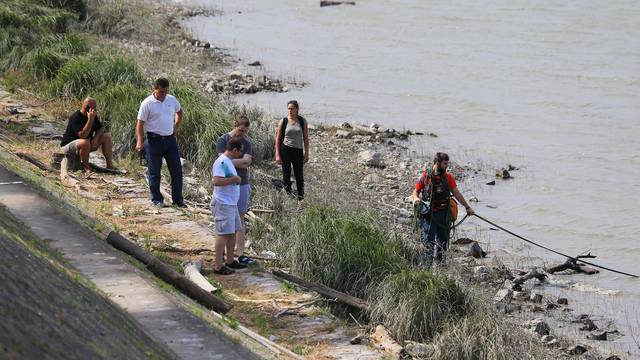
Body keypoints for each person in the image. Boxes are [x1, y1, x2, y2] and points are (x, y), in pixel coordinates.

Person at [411, 152, 475, 266]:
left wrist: (467, 207)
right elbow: (415, 191)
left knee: (443, 243)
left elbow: (456, 193)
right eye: (445, 163)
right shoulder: (426, 176)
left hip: (444, 215)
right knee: (428, 242)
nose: (447, 166)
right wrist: (416, 199)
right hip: (429, 216)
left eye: (447, 163)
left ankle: (441, 267)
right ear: (437, 163)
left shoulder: (448, 177)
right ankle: (427, 268)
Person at [135, 78, 186, 208]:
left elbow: (179, 112)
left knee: (176, 171)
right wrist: (140, 142)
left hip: (170, 140)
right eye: (161, 92)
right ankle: (157, 199)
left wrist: (176, 127)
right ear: (155, 89)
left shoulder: (171, 100)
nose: (163, 94)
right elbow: (140, 124)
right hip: (153, 141)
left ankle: (178, 200)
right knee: (154, 171)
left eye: (165, 91)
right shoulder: (147, 103)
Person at [216, 116, 256, 266]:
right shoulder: (222, 140)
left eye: (244, 132)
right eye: (240, 130)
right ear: (235, 125)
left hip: (243, 184)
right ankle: (225, 255)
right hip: (227, 186)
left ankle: (240, 254)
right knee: (226, 220)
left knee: (240, 219)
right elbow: (222, 163)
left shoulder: (247, 143)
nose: (242, 134)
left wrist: (229, 160)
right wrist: (236, 162)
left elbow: (247, 162)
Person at [211, 137, 248, 275]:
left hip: (231, 204)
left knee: (232, 232)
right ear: (234, 150)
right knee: (223, 234)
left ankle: (230, 260)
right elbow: (216, 181)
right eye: (240, 152)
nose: (240, 155)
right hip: (223, 204)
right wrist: (234, 179)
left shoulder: (228, 162)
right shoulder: (221, 162)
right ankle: (218, 266)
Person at [60, 97, 114, 173]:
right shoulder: (75, 117)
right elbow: (83, 135)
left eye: (95, 108)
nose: (94, 110)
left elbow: (100, 128)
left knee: (107, 136)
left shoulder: (93, 116)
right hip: (69, 147)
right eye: (92, 108)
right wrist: (90, 120)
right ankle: (86, 167)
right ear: (86, 108)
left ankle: (110, 165)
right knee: (85, 142)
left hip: (85, 145)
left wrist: (96, 138)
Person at [274, 100, 309, 200]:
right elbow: (278, 138)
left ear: (297, 109)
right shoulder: (284, 121)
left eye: (292, 108)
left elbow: (306, 138)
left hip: (298, 150)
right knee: (286, 173)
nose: (290, 110)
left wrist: (306, 154)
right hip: (285, 150)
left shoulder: (302, 121)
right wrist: (277, 154)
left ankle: (301, 198)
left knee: (299, 175)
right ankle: (288, 195)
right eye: (288, 108)